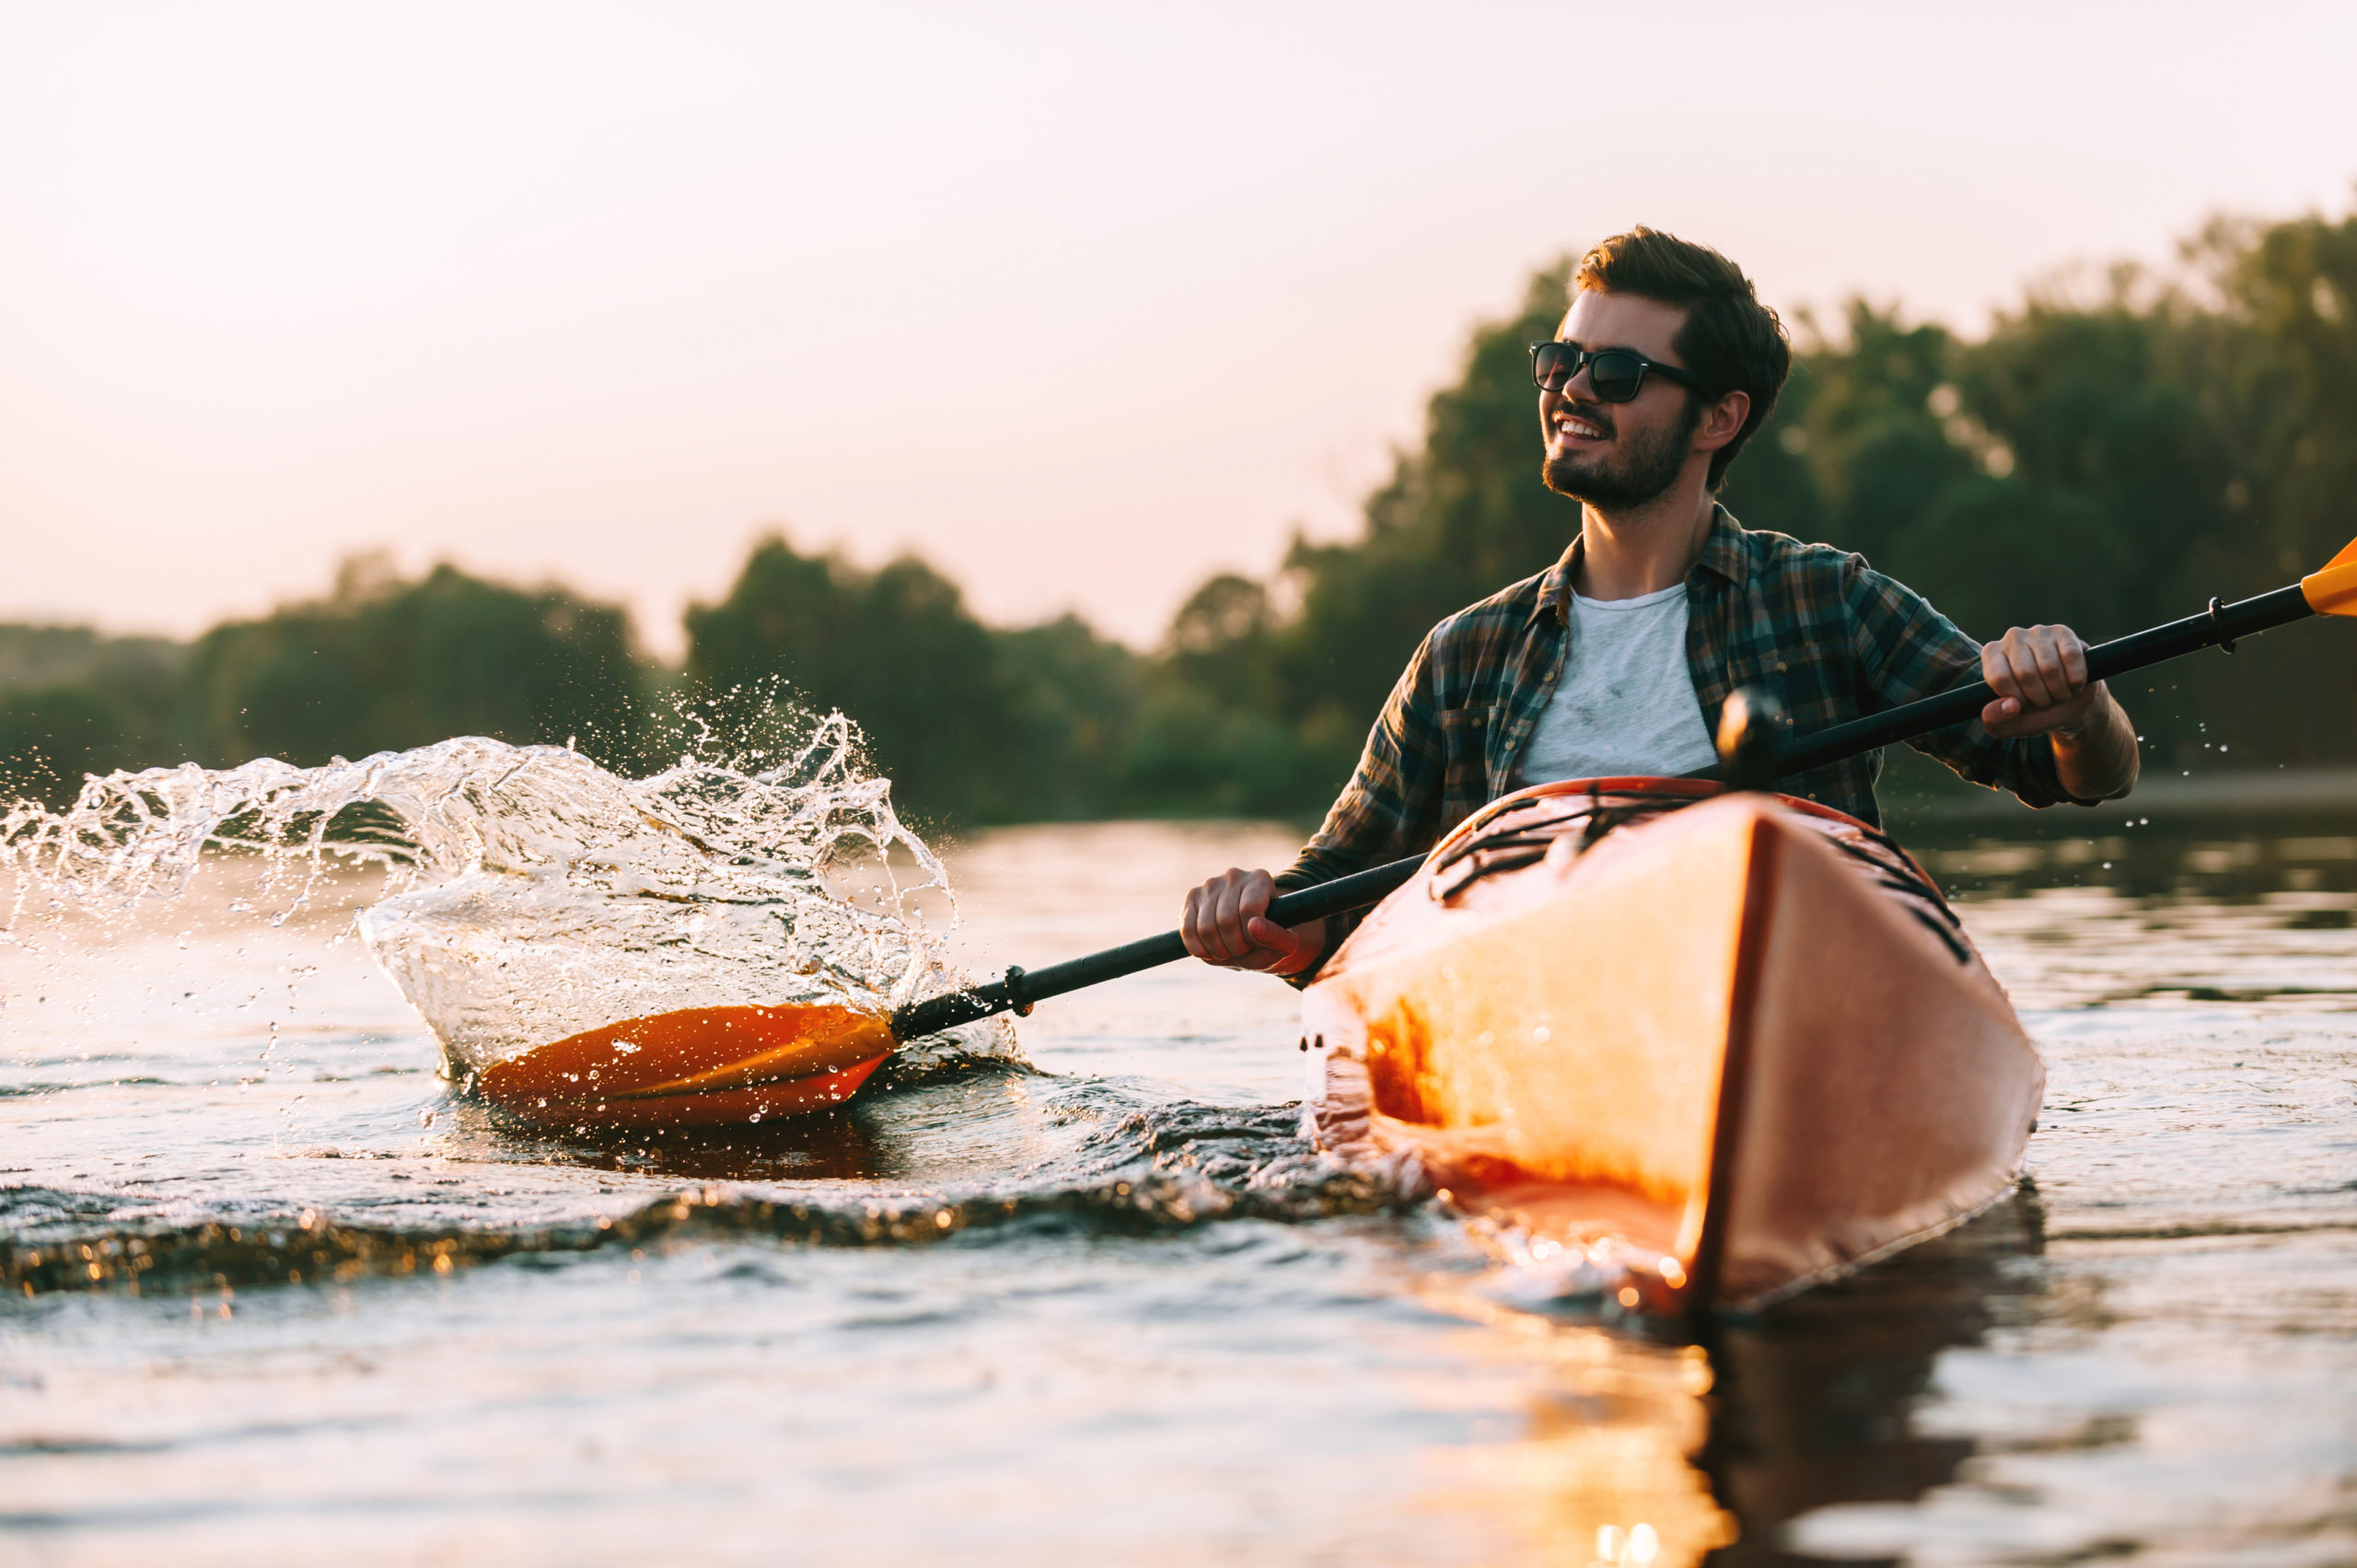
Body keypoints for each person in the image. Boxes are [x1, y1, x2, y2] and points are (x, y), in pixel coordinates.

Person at [1181, 226, 2139, 981]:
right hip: (1532, 1030)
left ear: (1717, 417)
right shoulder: (1464, 654)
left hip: (1794, 999)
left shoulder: (1824, 599)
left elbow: (2079, 772)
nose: (1570, 389)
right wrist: (1257, 922)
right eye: (1560, 360)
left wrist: (2079, 709)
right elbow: (1324, 910)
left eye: (1617, 373)